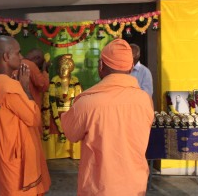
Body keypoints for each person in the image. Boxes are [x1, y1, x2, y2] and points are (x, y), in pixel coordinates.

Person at [61, 39, 154, 196]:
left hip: (98, 188)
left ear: (101, 66)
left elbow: (71, 134)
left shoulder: (87, 103)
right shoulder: (145, 100)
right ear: (131, 67)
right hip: (135, 186)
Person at [0, 35, 50, 196]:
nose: (21, 57)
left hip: (1, 152)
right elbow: (33, 118)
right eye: (18, 53)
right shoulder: (9, 86)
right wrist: (26, 89)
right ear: (6, 56)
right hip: (15, 157)